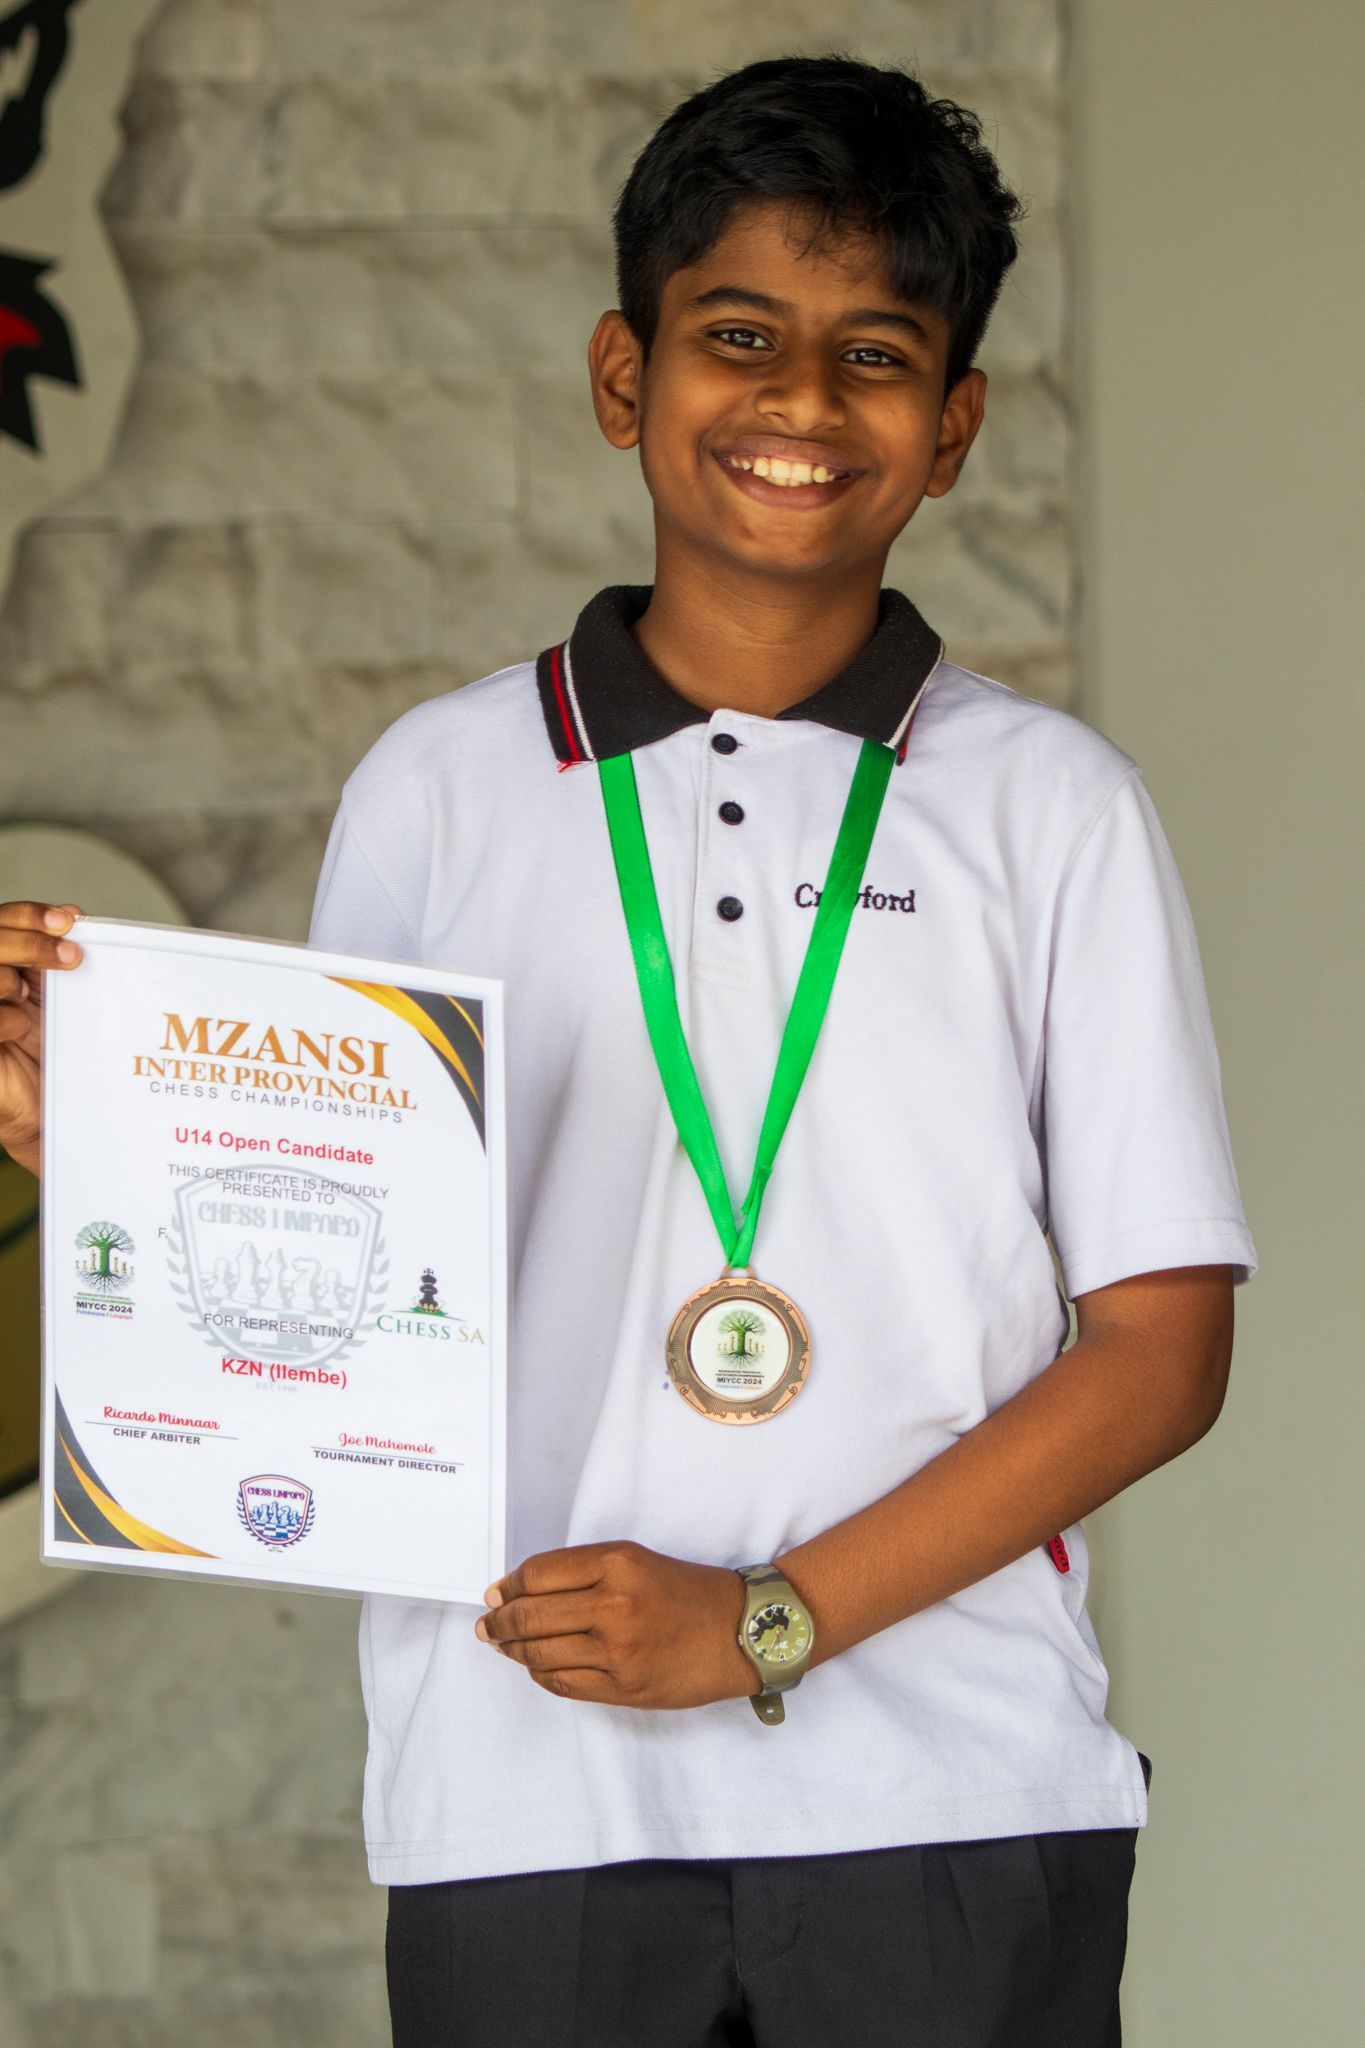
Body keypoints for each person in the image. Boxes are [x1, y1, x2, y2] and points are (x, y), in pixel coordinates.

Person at [0, 54, 1256, 2048]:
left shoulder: (1053, 810)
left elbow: (1157, 1345)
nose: (797, 401)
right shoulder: (436, 788)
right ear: (621, 376)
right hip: (521, 1793)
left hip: (951, 1794)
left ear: (950, 428)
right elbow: (339, 1318)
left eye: (873, 354)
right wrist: (127, 1169)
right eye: (735, 335)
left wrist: (763, 1620)